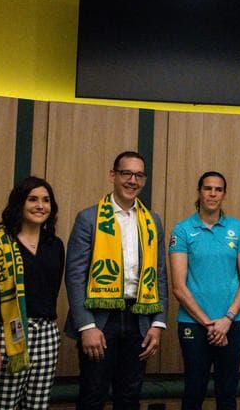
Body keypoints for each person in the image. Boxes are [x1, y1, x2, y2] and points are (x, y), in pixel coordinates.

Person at [64, 151, 168, 410]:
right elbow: (75, 275)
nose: (132, 180)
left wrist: (157, 323)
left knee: (129, 396)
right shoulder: (88, 218)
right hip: (100, 318)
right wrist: (86, 327)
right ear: (113, 175)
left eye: (139, 175)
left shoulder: (152, 221)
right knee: (93, 394)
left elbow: (160, 274)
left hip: (139, 317)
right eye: (126, 173)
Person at [0, 176, 65, 410]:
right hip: (9, 333)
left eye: (46, 200)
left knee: (37, 405)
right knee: (2, 406)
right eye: (32, 199)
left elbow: (51, 292)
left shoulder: (55, 245)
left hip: (46, 335)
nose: (40, 205)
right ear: (19, 203)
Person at [169, 171, 240, 410]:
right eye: (208, 188)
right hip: (194, 324)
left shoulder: (238, 228)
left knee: (227, 394)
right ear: (199, 191)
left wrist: (227, 319)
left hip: (233, 322)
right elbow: (178, 285)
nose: (212, 194)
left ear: (224, 194)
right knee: (193, 392)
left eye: (218, 189)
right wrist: (209, 324)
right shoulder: (183, 230)